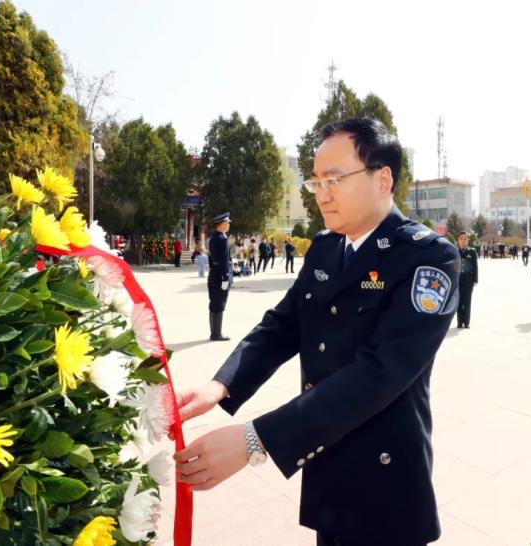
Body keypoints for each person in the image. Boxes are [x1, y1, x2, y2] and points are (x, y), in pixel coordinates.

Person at [173, 118, 459, 546]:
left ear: (383, 180)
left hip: (385, 485)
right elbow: (284, 324)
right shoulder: (327, 247)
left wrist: (254, 439)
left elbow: (379, 373)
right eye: (316, 181)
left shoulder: (427, 257)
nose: (322, 193)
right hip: (328, 468)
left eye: (335, 179)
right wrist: (222, 385)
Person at [207, 213, 232, 341]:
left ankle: (214, 333)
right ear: (222, 224)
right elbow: (223, 260)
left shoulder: (213, 238)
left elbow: (211, 258)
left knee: (214, 303)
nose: (228, 225)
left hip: (214, 273)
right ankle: (216, 334)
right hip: (220, 275)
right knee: (219, 303)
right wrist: (225, 277)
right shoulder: (222, 239)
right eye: (227, 223)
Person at [456, 231, 478, 328]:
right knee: (459, 301)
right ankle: (459, 322)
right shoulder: (455, 251)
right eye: (461, 238)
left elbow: (475, 266)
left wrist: (475, 280)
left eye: (465, 238)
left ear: (468, 240)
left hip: (469, 280)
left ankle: (466, 323)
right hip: (458, 280)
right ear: (458, 240)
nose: (463, 240)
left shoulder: (472, 251)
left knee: (467, 301)